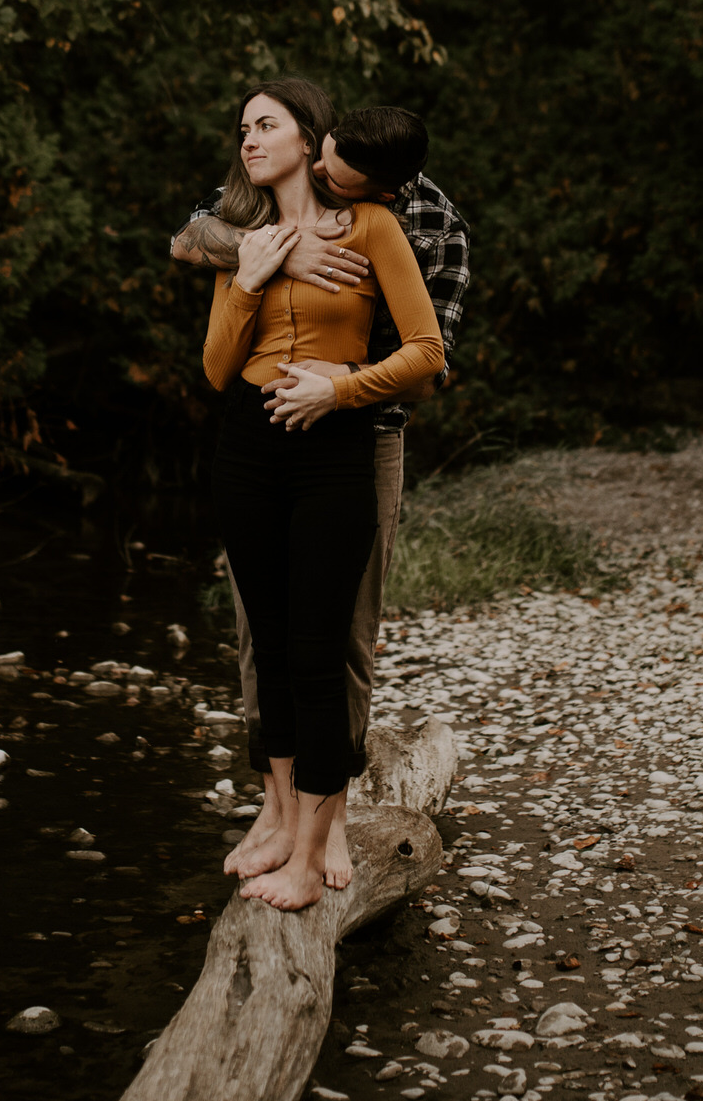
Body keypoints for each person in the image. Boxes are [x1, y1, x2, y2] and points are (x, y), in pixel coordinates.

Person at [174, 91, 470, 897]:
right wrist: (254, 267)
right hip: (248, 439)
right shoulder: (249, 225)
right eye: (243, 128)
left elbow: (428, 354)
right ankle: (278, 817)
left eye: (266, 126)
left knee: (332, 641)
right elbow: (211, 356)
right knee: (263, 639)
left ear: (317, 146)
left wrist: (340, 388)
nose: (247, 141)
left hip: (355, 436)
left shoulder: (395, 218)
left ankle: (323, 830)